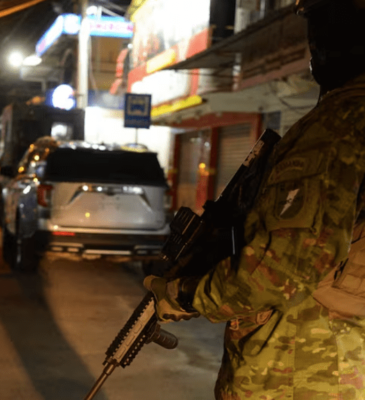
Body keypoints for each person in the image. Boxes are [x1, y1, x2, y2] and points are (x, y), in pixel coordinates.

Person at [143, 1, 365, 399]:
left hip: (301, 371)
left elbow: (277, 270)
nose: (313, 43)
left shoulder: (338, 126)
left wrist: (184, 296)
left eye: (321, 24)